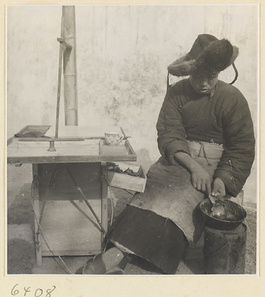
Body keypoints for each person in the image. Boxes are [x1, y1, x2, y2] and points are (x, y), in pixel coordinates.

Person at [76, 34, 255, 275]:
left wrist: (222, 178)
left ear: (219, 73)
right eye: (197, 76)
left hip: (216, 166)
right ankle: (116, 253)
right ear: (188, 72)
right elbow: (168, 133)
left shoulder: (233, 99)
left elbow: (241, 147)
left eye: (210, 77)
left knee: (182, 197)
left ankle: (120, 255)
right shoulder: (177, 93)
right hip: (179, 160)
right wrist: (193, 166)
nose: (203, 83)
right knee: (153, 191)